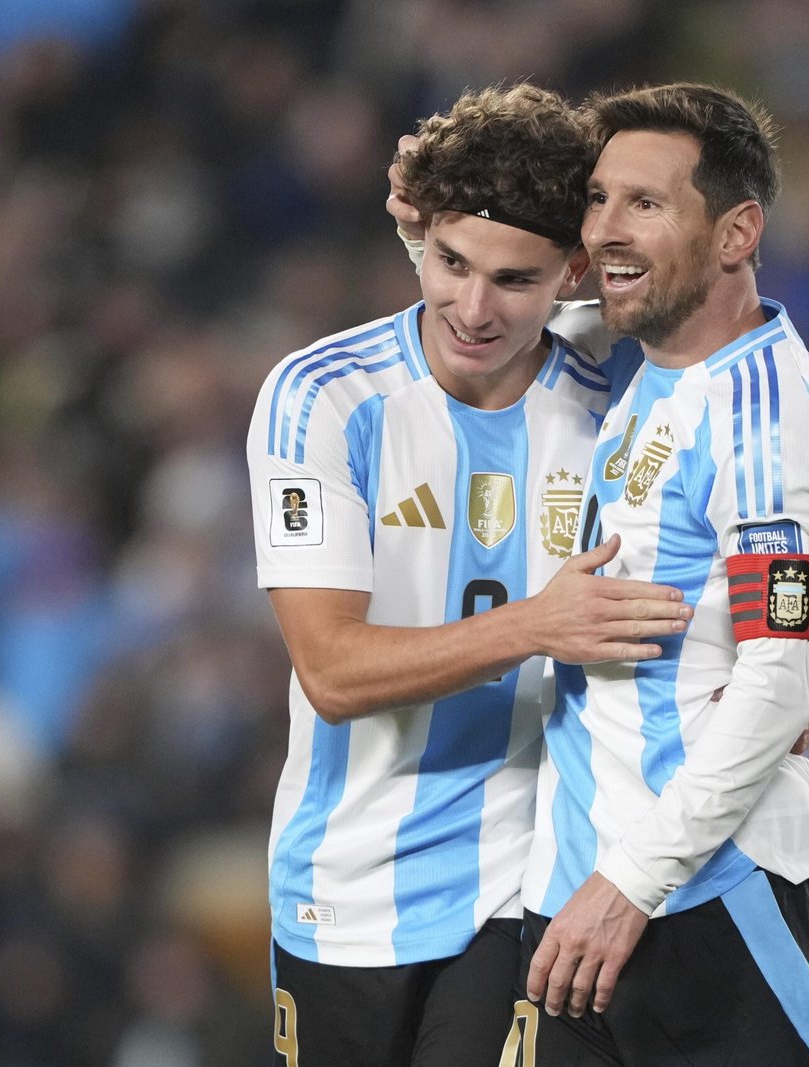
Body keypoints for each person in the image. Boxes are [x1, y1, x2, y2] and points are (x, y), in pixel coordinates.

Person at [245, 83, 695, 1066]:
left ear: (574, 271)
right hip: (342, 885)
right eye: (450, 262)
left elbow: (728, 302)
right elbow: (331, 670)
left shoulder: (622, 391)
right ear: (418, 237)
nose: (474, 308)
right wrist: (536, 624)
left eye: (514, 279)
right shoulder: (322, 398)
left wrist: (787, 661)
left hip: (522, 881)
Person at [491, 84, 809, 1067]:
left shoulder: (764, 412)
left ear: (736, 232)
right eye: (598, 199)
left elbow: (780, 675)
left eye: (645, 203)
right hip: (583, 911)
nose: (603, 231)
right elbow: (483, 317)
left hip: (719, 914)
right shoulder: (645, 370)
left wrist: (633, 880)